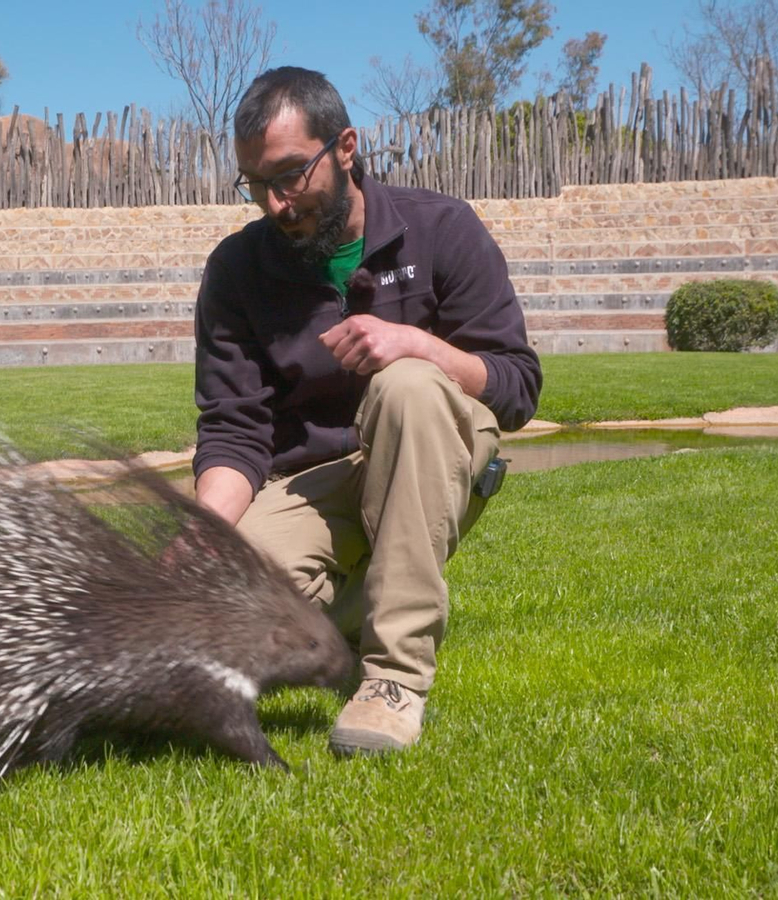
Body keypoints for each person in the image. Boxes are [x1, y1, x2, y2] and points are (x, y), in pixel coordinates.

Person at [192, 66, 542, 755]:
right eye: (255, 184)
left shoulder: (442, 228)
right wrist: (200, 535)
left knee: (407, 385)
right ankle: (349, 634)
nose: (276, 204)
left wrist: (419, 346)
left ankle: (395, 679)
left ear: (346, 146)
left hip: (430, 450)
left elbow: (516, 385)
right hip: (313, 482)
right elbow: (236, 432)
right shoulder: (236, 268)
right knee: (226, 623)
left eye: (291, 175)